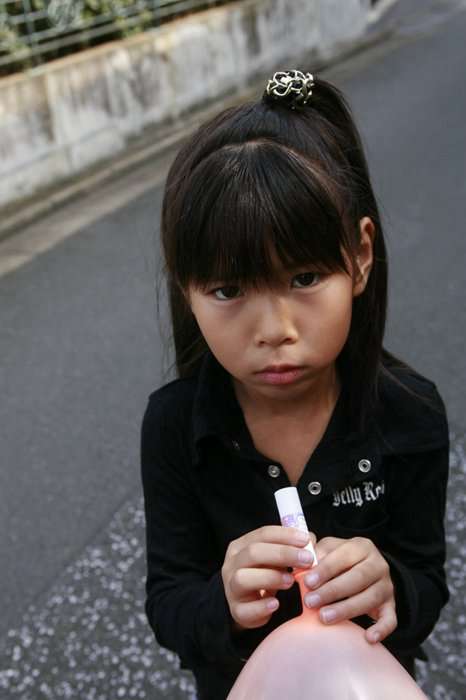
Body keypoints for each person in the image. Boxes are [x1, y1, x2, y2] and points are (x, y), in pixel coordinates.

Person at [140, 70, 449, 700]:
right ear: (186, 289)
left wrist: (390, 585)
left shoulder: (410, 413)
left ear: (360, 257)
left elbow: (426, 580)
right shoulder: (174, 425)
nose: (274, 330)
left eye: (305, 278)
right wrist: (222, 601)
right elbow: (169, 603)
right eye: (228, 290)